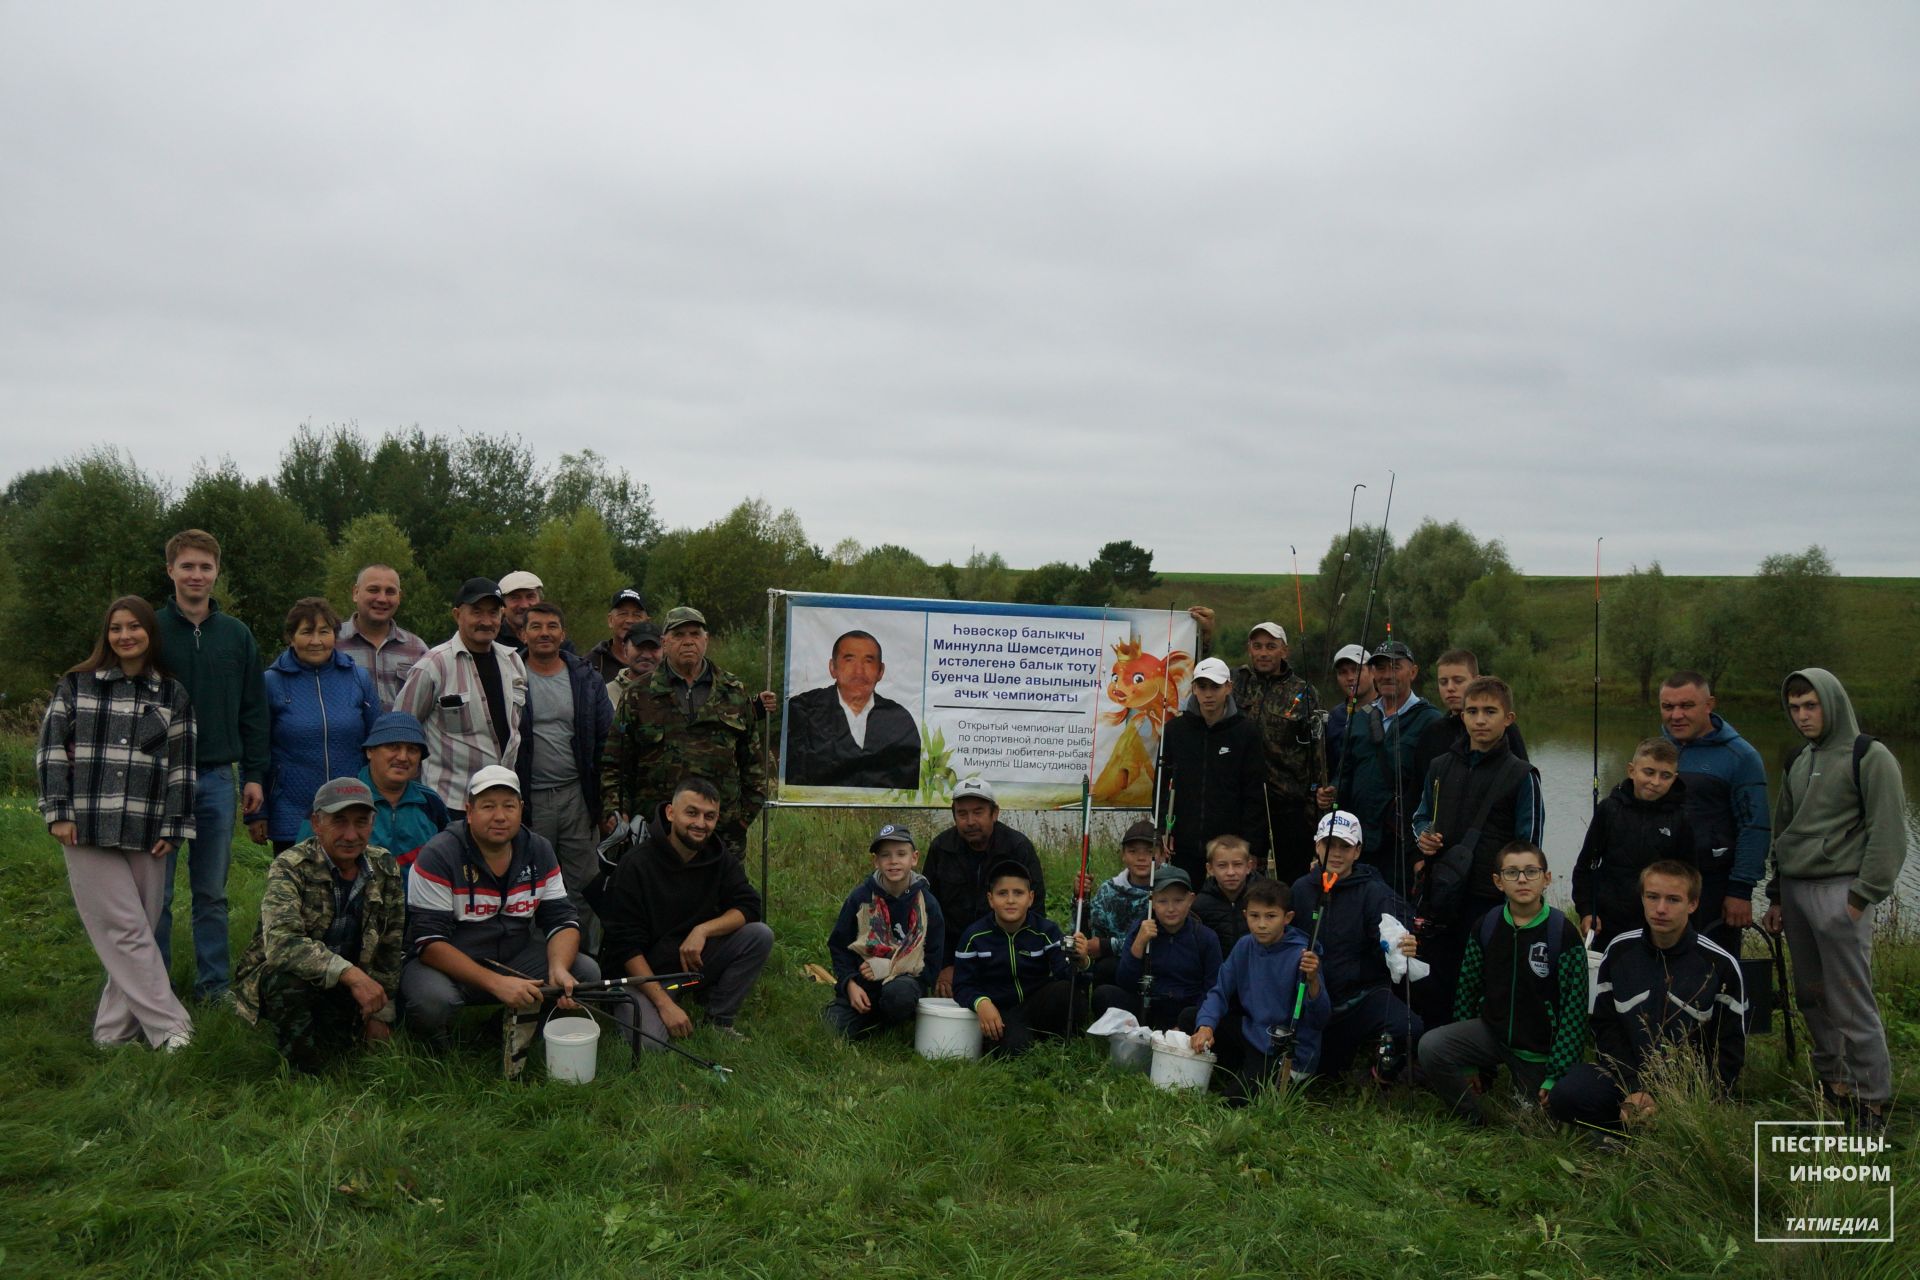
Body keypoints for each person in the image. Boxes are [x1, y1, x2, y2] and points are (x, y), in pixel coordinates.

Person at [36, 596, 197, 1050]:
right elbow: (49, 751)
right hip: (85, 827)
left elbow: (183, 766)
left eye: (134, 627)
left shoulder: (172, 693)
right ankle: (172, 1029)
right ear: (105, 636)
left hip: (148, 829)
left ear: (150, 632)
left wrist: (174, 825)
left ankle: (111, 1034)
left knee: (135, 934)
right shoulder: (77, 685)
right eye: (115, 628)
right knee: (124, 931)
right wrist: (58, 813)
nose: (125, 636)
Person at [1762, 668, 1908, 1131]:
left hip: (1841, 891)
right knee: (1812, 995)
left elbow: (1889, 833)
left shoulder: (1870, 756)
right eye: (1795, 707)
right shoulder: (1797, 759)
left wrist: (1861, 896)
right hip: (1797, 890)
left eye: (1811, 705)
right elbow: (1783, 829)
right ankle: (1835, 1083)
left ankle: (1872, 1101)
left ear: (1832, 703)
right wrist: (1777, 894)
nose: (1802, 716)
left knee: (1851, 998)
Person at [400, 766, 597, 1052]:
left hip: (513, 956)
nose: (500, 816)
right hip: (447, 964)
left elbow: (562, 920)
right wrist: (496, 984)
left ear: (521, 809)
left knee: (585, 973)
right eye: (488, 806)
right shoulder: (438, 855)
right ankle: (433, 1052)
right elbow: (429, 943)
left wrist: (558, 968)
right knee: (434, 1001)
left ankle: (496, 1032)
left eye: (509, 806)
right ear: (469, 811)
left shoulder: (539, 850)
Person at [154, 528, 270, 1001]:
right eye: (188, 566)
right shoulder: (152, 630)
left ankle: (214, 985)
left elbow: (254, 710)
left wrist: (255, 775)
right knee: (155, 896)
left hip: (219, 778)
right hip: (158, 780)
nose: (196, 575)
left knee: (211, 893)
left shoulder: (236, 635)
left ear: (217, 572)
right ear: (171, 571)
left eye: (205, 566)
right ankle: (153, 984)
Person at [1548, 861, 1746, 1135]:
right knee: (1565, 1097)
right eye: (1652, 897)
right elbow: (1605, 1028)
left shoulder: (1720, 964)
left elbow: (1729, 1050)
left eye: (1673, 899)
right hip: (1626, 1077)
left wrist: (1677, 1094)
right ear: (1642, 898)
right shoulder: (1619, 951)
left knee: (1692, 1126)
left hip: (1688, 1086)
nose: (1661, 908)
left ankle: (1635, 1131)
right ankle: (1621, 1128)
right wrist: (1635, 1088)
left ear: (1693, 904)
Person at [233, 778, 405, 1071]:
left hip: (347, 981)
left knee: (347, 1045)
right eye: (339, 822)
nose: (351, 835)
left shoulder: (385, 866)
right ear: (316, 823)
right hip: (292, 976)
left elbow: (390, 944)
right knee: (287, 982)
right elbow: (281, 944)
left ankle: (339, 1033)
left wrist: (381, 1013)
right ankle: (305, 1075)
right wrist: (351, 975)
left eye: (361, 823)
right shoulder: (290, 866)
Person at [1417, 843, 1586, 1125]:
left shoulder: (1562, 933)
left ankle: (1536, 1094)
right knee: (1431, 1046)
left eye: (1531, 872)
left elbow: (1574, 1013)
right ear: (1498, 881)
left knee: (1536, 1124)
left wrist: (1557, 1074)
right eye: (1512, 872)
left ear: (1546, 879)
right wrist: (1469, 1064)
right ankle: (1472, 1117)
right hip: (1492, 1033)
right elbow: (1467, 991)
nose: (1522, 879)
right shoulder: (1487, 925)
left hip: (1537, 1049)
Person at [600, 776, 774, 1044]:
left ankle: (719, 1019)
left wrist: (703, 930)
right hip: (640, 972)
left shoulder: (718, 856)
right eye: (691, 813)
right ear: (671, 813)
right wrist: (663, 1004)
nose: (700, 824)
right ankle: (634, 1001)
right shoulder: (636, 864)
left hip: (687, 964)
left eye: (709, 816)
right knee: (651, 1044)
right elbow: (625, 946)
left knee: (759, 935)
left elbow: (749, 905)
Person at [1409, 676, 1541, 1026]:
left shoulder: (1522, 775)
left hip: (1490, 898)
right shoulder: (1439, 766)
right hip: (1443, 892)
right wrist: (1424, 837)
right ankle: (1435, 1051)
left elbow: (1529, 846)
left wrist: (1519, 896)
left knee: (1482, 978)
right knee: (1437, 975)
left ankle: (1479, 1059)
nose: (1480, 720)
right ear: (1462, 716)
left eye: (1490, 711)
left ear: (1508, 719)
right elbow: (1421, 816)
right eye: (1472, 711)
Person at [601, 606, 768, 849]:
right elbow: (615, 763)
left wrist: (742, 821)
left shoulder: (733, 692)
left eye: (695, 634)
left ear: (706, 640)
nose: (688, 642)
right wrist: (616, 812)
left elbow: (753, 765)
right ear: (664, 642)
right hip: (657, 833)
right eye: (679, 635)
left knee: (719, 889)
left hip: (720, 835)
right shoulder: (638, 695)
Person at [1291, 810, 1423, 1080]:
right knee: (1321, 1076)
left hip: (1359, 997)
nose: (1337, 853)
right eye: (1330, 845)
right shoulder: (1300, 889)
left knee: (1409, 1027)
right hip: (1314, 1001)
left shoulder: (1374, 890)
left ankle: (1379, 1071)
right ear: (1317, 846)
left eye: (1345, 846)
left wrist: (1403, 944)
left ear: (1358, 851)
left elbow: (1392, 934)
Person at [514, 602, 615, 946]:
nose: (545, 633)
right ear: (522, 633)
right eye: (537, 626)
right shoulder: (508, 673)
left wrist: (603, 803)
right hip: (529, 801)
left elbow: (606, 741)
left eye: (552, 626)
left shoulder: (586, 677)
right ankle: (536, 968)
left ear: (563, 633)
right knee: (530, 885)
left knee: (583, 884)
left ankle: (582, 964)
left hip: (576, 796)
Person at [394, 578, 528, 816]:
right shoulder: (433, 665)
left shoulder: (513, 661)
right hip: (448, 803)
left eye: (493, 613)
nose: (486, 621)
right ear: (457, 614)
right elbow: (401, 729)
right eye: (477, 612)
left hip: (499, 802)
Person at [1190, 878, 1329, 1101]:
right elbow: (1220, 991)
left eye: (1270, 916)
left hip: (1284, 1051)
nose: (1261, 924)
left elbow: (1320, 1019)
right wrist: (1206, 1025)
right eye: (1255, 916)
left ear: (1287, 918)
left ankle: (1276, 1081)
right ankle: (1236, 1069)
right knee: (1191, 1018)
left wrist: (1313, 982)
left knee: (1230, 1101)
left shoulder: (1303, 955)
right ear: (1245, 915)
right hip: (1253, 1032)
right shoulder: (1245, 945)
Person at [1658, 671, 1769, 948]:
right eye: (1668, 707)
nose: (1676, 715)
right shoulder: (1658, 751)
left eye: (1686, 706)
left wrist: (1740, 890)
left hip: (1714, 887)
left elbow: (1754, 827)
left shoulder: (1741, 757)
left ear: (1709, 705)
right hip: (1661, 886)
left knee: (1711, 976)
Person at [261, 597, 380, 851]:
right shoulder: (271, 682)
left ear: (335, 636)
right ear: (291, 637)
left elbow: (376, 742)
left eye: (324, 632)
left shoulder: (357, 678)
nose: (316, 641)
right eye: (306, 632)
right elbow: (257, 748)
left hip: (351, 811)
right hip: (292, 811)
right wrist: (257, 812)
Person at [1331, 640, 1444, 904]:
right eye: (1380, 668)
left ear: (1413, 671)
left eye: (1395, 666)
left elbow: (1437, 789)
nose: (1387, 674)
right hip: (1361, 840)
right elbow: (1344, 774)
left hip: (1401, 841)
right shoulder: (1359, 718)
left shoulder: (1430, 721)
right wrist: (1331, 795)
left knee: (1401, 912)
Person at [922, 778, 1047, 998]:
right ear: (954, 816)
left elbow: (1035, 911)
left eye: (978, 812)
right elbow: (928, 915)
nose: (970, 821)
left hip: (1004, 952)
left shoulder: (1017, 848)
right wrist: (946, 964)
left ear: (995, 813)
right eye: (962, 814)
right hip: (954, 954)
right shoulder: (941, 848)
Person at [822, 824, 945, 1040]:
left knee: (899, 995)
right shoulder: (860, 898)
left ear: (914, 858)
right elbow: (839, 946)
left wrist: (890, 967)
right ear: (875, 862)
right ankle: (868, 1015)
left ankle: (892, 1017)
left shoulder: (927, 903)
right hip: (864, 982)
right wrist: (849, 984)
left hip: (905, 982)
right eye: (885, 855)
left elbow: (932, 962)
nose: (893, 861)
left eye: (901, 854)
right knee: (832, 1029)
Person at [952, 860, 1084, 1057]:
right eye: (1002, 893)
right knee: (1015, 1050)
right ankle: (1016, 1039)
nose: (1011, 900)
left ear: (1030, 898)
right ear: (990, 899)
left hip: (1035, 1003)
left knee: (1067, 991)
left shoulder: (1046, 931)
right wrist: (981, 1003)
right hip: (999, 1010)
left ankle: (1061, 1038)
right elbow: (962, 986)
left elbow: (1065, 974)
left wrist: (1080, 961)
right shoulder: (974, 936)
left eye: (1018, 893)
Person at [296, 711, 449, 880]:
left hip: (418, 904)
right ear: (370, 751)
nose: (403, 757)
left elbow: (448, 858)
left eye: (412, 750)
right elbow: (303, 859)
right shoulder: (335, 798)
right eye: (393, 747)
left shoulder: (430, 803)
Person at [1572, 738, 1695, 949]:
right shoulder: (1608, 810)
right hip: (1609, 922)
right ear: (1631, 770)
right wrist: (1586, 910)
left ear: (1674, 778)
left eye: (1665, 776)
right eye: (1648, 772)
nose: (1655, 782)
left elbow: (1690, 876)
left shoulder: (1681, 819)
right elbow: (1585, 866)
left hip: (1657, 922)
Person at [1156, 656, 1268, 880]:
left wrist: (1253, 847)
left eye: (1215, 687)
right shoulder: (1175, 730)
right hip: (1183, 845)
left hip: (1229, 851)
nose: (1208, 694)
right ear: (1194, 689)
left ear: (1228, 687)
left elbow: (1255, 795)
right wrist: (1162, 830)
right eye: (1202, 686)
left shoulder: (1247, 733)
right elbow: (1160, 786)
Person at [1231, 622, 1321, 884]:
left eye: (1271, 646)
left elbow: (1316, 754)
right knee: (1245, 878)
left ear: (1285, 651)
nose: (1263, 653)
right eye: (1257, 646)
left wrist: (1314, 806)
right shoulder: (1237, 682)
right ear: (1249, 649)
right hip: (1246, 802)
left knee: (1292, 879)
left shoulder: (1304, 692)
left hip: (1289, 803)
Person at [784, 629, 921, 791]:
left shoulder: (899, 719)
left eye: (868, 661)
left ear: (881, 671)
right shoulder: (803, 710)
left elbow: (909, 782)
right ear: (832, 667)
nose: (859, 672)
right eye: (849, 660)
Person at [1093, 864, 1222, 1033]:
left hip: (1187, 1010)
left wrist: (1192, 1020)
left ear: (1191, 900)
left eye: (1178, 900)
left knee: (1199, 1014)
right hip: (1150, 1006)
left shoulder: (1206, 937)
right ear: (1152, 902)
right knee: (1104, 994)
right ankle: (1139, 1034)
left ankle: (1179, 1035)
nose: (1170, 909)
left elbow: (1212, 988)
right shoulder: (1141, 928)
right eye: (1162, 901)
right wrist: (1138, 944)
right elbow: (1125, 981)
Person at [1071, 819, 1160, 988]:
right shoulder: (1109, 890)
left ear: (1161, 855)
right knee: (1102, 967)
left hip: (1155, 963)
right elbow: (1090, 936)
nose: (1141, 858)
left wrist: (1106, 946)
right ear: (1123, 855)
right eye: (1133, 851)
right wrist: (1080, 898)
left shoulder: (1167, 891)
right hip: (1118, 967)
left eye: (1149, 852)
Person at [335, 563, 429, 711]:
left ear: (399, 597)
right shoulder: (332, 643)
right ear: (355, 593)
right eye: (373, 590)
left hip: (401, 734)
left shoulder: (417, 649)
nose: (382, 599)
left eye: (390, 592)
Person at [1415, 649, 1528, 772]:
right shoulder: (1432, 733)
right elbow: (1419, 787)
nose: (1450, 688)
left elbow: (1523, 774)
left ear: (1476, 681)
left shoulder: (1503, 729)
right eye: (1443, 682)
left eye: (1458, 681)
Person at [1193, 834, 1267, 949]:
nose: (1231, 872)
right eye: (1222, 866)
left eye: (1237, 865)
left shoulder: (1266, 898)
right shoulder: (1200, 905)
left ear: (1248, 866)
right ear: (1210, 869)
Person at [1321, 643, 1373, 778]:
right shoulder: (1334, 716)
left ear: (1372, 672)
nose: (1350, 677)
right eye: (1343, 672)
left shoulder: (1388, 710)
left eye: (1356, 670)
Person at [586, 587, 650, 684]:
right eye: (623, 614)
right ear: (610, 620)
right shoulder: (593, 663)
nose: (629, 620)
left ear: (647, 622)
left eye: (637, 615)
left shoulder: (658, 662)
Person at [604, 620, 663, 704]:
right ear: (625, 649)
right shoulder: (605, 695)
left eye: (653, 648)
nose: (646, 655)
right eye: (640, 647)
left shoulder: (675, 693)